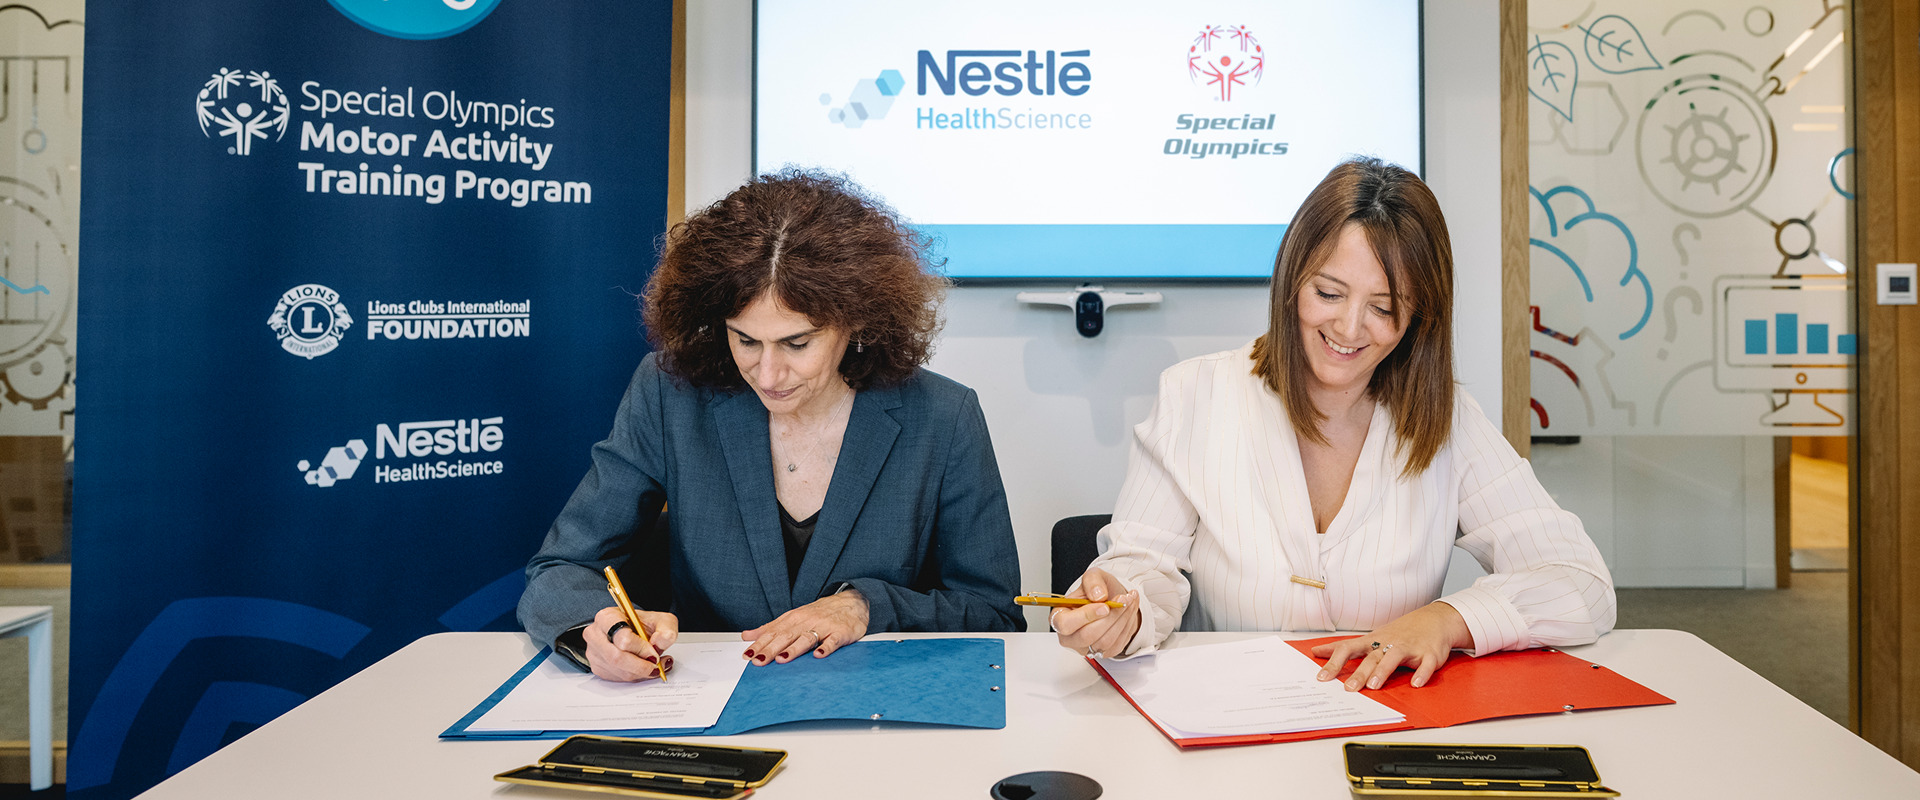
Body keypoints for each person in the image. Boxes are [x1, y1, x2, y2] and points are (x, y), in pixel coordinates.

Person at [1053, 157, 1615, 692]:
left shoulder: (1448, 419)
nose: (1349, 328)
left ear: (1419, 316)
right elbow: (1143, 567)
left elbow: (1579, 581)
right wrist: (1119, 610)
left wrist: (1447, 619)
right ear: (1292, 281)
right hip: (1232, 729)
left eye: (1384, 306)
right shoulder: (1195, 394)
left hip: (1386, 728)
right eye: (1328, 293)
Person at [520, 170, 1025, 683]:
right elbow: (559, 570)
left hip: (875, 708)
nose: (767, 374)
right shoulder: (671, 391)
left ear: (858, 322)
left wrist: (866, 607)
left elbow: (995, 614)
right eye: (745, 340)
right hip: (707, 702)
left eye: (796, 344)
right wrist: (602, 632)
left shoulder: (943, 415)